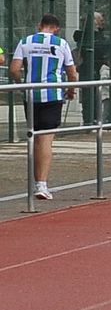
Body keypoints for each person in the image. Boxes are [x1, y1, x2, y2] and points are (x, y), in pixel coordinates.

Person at [9, 14, 80, 201]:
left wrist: (20, 85)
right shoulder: (61, 43)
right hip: (52, 95)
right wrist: (71, 91)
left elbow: (14, 69)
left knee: (34, 138)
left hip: (31, 95)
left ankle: (36, 182)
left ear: (39, 26)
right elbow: (72, 73)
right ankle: (42, 184)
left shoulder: (25, 41)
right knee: (45, 140)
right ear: (57, 28)